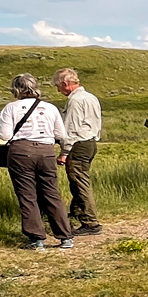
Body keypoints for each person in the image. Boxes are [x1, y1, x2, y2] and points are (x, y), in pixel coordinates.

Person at [0, 73, 73, 250]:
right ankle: (65, 236)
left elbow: (5, 135)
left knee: (27, 195)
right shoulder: (50, 108)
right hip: (46, 150)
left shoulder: (11, 108)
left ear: (16, 89)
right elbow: (60, 134)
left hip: (21, 152)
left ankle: (36, 238)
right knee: (52, 193)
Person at [53, 67, 103, 235]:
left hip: (78, 144)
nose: (57, 89)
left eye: (57, 86)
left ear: (65, 84)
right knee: (79, 180)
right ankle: (78, 213)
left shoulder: (75, 101)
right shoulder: (90, 97)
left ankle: (90, 222)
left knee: (79, 181)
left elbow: (71, 128)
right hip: (90, 142)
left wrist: (64, 152)